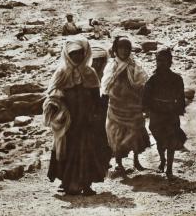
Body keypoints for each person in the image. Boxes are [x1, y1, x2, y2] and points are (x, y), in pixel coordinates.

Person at [44, 37, 111, 196]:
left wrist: (97, 113)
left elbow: (96, 96)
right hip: (68, 122)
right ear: (67, 55)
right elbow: (52, 95)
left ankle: (86, 185)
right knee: (68, 150)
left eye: (80, 53)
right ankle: (68, 182)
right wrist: (56, 107)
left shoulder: (90, 73)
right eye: (73, 54)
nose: (76, 57)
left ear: (85, 53)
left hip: (86, 121)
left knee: (88, 151)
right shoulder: (61, 73)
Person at [101, 36, 150, 174]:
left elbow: (142, 82)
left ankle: (136, 160)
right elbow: (106, 83)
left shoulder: (134, 64)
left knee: (135, 131)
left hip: (132, 104)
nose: (124, 51)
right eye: (121, 48)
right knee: (116, 133)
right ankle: (118, 162)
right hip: (116, 105)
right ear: (116, 50)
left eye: (127, 48)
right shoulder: (112, 65)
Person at [142, 47, 187, 179]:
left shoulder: (176, 79)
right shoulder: (152, 79)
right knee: (160, 141)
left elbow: (181, 96)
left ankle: (169, 170)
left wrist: (179, 108)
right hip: (157, 114)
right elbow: (146, 96)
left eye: (164, 61)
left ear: (169, 62)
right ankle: (162, 159)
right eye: (158, 61)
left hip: (171, 113)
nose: (161, 63)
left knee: (171, 141)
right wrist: (147, 109)